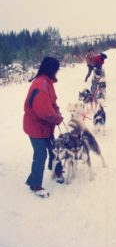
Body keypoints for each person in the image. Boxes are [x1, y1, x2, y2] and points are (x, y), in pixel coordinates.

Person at [23, 56, 64, 198]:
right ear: (51, 69)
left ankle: (57, 172)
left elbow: (51, 102)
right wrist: (57, 118)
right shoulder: (40, 85)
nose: (57, 72)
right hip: (35, 127)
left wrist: (56, 109)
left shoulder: (47, 83)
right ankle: (35, 185)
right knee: (41, 154)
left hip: (45, 127)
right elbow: (44, 111)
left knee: (55, 148)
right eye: (56, 70)